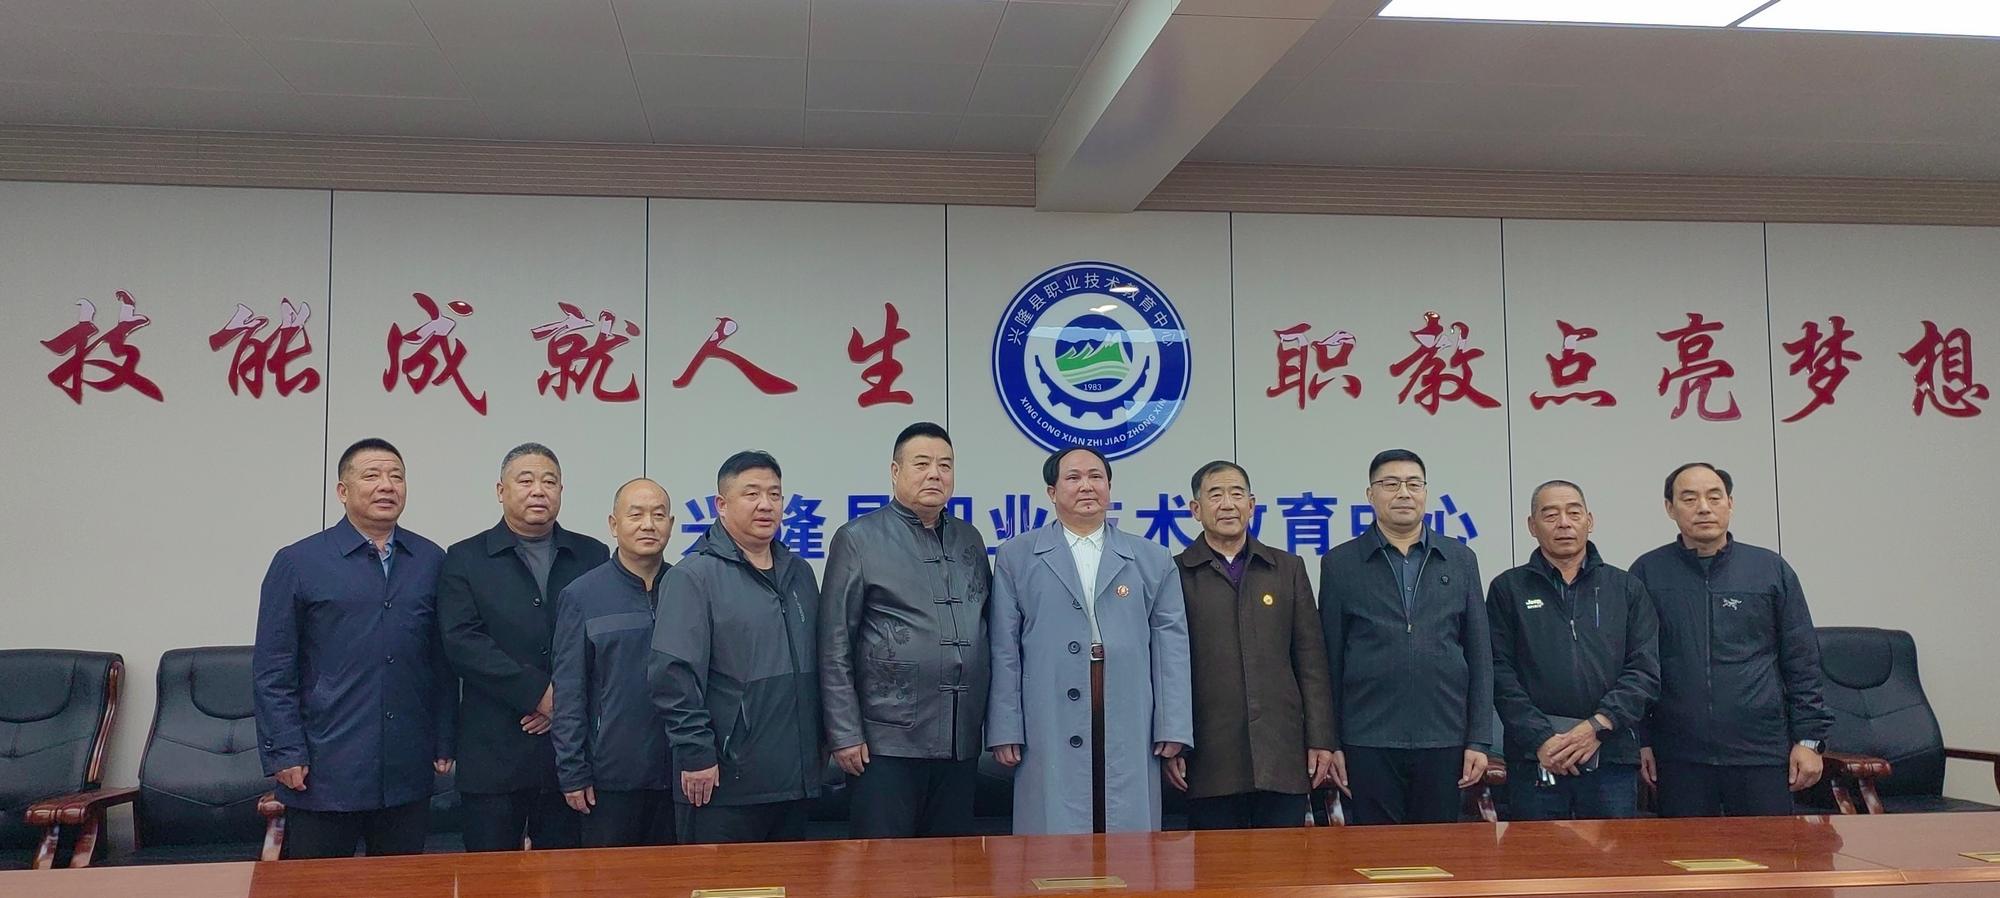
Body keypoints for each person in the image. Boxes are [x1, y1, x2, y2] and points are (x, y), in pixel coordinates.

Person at [253, 438, 455, 858]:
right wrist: (285, 750)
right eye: (372, 475)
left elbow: (441, 661)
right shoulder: (299, 561)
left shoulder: (431, 560)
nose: (387, 485)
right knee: (319, 886)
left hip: (406, 767)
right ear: (342, 491)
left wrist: (444, 738)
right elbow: (273, 668)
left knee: (403, 885)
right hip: (324, 769)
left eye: (396, 476)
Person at [986, 446, 1192, 834]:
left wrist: (1174, 725)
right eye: (1074, 477)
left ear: (1109, 488)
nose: (1086, 486)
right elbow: (1004, 648)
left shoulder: (1152, 558)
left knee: (1127, 828)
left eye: (1096, 477)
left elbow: (1171, 649)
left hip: (1126, 703)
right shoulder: (1017, 556)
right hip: (1046, 706)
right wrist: (1005, 727)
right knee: (1053, 828)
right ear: (1051, 492)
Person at [819, 423, 992, 838]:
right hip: (885, 743)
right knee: (885, 865)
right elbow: (834, 644)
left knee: (952, 863)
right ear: (895, 471)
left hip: (959, 740)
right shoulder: (858, 539)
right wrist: (844, 733)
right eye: (922, 464)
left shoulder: (969, 539)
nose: (935, 474)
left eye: (945, 465)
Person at [1633, 462, 1831, 817]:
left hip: (1761, 751)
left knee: (1768, 850)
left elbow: (1802, 661)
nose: (1704, 508)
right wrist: (1642, 740)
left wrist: (1809, 740)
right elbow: (1636, 665)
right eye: (1689, 499)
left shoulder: (1769, 570)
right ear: (1669, 508)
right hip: (1679, 755)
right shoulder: (1647, 573)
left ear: (1730, 503)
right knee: (1687, 851)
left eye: (1714, 497)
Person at [438, 443, 607, 851]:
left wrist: (561, 702)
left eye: (549, 481)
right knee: (489, 875)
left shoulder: (592, 554)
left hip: (570, 755)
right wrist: (539, 693)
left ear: (561, 490)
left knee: (569, 873)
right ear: (501, 490)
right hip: (494, 751)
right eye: (525, 480)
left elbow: (601, 641)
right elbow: (462, 642)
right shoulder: (465, 557)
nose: (538, 490)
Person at [651, 451, 823, 843]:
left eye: (774, 494)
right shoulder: (693, 576)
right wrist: (696, 754)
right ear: (722, 505)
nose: (766, 504)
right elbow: (672, 676)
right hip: (723, 782)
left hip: (795, 781)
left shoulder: (799, 573)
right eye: (752, 493)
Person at [1317, 448, 1492, 825]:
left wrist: (1478, 739)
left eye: (1414, 484)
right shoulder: (1340, 564)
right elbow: (1329, 660)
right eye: (1391, 484)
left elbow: (1479, 655)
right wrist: (1332, 742)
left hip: (1444, 735)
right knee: (1377, 852)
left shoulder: (1460, 559)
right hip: (1367, 738)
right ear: (1370, 495)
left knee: (1439, 850)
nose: (1403, 493)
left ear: (1425, 493)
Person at [1168, 460, 1334, 829]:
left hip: (1281, 754)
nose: (1228, 504)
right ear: (1196, 509)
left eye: (1236, 494)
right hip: (1207, 758)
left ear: (1252, 505)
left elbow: (1311, 661)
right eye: (1215, 495)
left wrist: (1321, 738)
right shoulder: (1175, 573)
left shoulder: (1287, 568)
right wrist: (1172, 740)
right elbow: (1166, 667)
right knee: (1216, 864)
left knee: (1283, 862)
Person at [1487, 480, 1658, 820]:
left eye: (1573, 513)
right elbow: (1498, 672)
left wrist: (1596, 727)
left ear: (1589, 521)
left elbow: (1644, 671)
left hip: (1611, 757)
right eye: (1550, 515)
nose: (1563, 523)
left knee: (1613, 854)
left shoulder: (1626, 588)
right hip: (1537, 759)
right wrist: (1542, 739)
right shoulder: (1508, 589)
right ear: (1532, 526)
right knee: (1539, 853)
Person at [551, 478, 676, 847]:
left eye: (658, 515)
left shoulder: (689, 587)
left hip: (681, 775)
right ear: (613, 524)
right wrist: (572, 772)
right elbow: (569, 691)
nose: (648, 524)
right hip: (610, 779)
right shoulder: (582, 595)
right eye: (636, 515)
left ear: (671, 524)